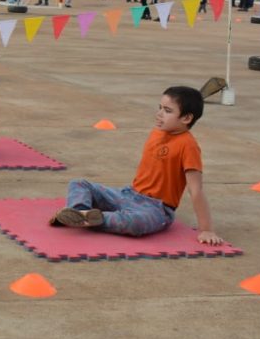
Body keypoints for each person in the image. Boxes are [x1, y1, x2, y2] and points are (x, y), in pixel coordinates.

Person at [50, 85, 221, 245]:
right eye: (159, 107)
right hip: (128, 194)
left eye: (167, 111)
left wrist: (206, 229)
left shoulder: (188, 145)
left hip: (156, 209)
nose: (159, 114)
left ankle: (93, 218)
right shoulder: (157, 132)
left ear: (187, 118)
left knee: (136, 224)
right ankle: (78, 212)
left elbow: (196, 189)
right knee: (79, 184)